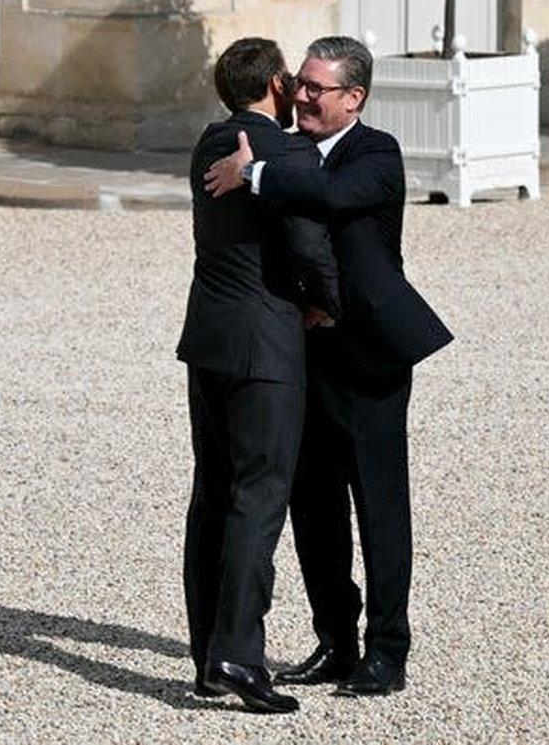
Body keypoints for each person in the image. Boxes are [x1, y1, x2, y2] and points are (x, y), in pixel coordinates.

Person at [204, 35, 453, 697]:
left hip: (369, 357)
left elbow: (331, 196)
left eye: (319, 88)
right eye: (302, 84)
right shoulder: (286, 149)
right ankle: (336, 639)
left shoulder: (376, 154)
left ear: (355, 97)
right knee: (312, 507)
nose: (304, 96)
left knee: (379, 505)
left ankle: (388, 648)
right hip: (301, 355)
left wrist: (253, 173)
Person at [177, 37, 340, 714]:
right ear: (276, 82)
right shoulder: (284, 149)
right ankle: (240, 655)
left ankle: (208, 653)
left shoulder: (207, 143)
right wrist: (329, 302)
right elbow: (309, 240)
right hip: (266, 347)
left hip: (208, 338)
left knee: (212, 497)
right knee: (258, 497)